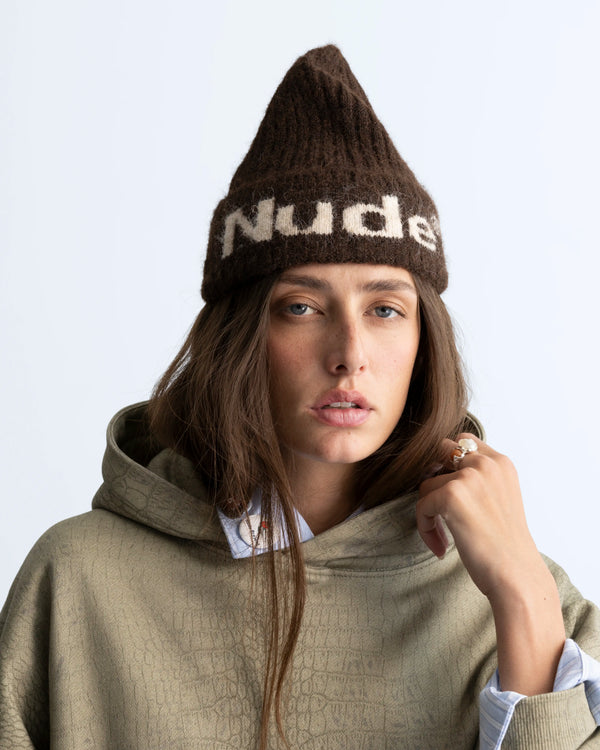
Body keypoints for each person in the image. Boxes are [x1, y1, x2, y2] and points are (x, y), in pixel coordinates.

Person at [1, 45, 599, 750]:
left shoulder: (525, 597)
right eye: (302, 308)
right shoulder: (78, 580)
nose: (349, 354)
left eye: (385, 309)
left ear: (424, 340)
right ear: (239, 336)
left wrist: (524, 602)